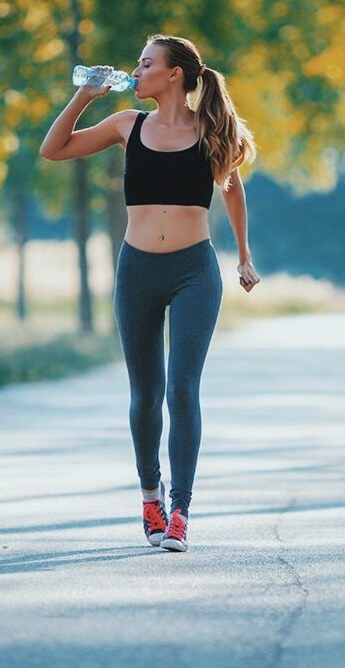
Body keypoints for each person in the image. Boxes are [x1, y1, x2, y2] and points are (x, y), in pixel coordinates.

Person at [39, 33, 259, 552]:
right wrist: (84, 95)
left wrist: (244, 255)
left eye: (145, 64)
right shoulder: (125, 125)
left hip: (193, 273)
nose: (135, 72)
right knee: (146, 394)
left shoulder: (210, 131)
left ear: (174, 74)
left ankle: (180, 511)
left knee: (183, 389)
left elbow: (232, 188)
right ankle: (149, 496)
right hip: (137, 270)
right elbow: (54, 150)